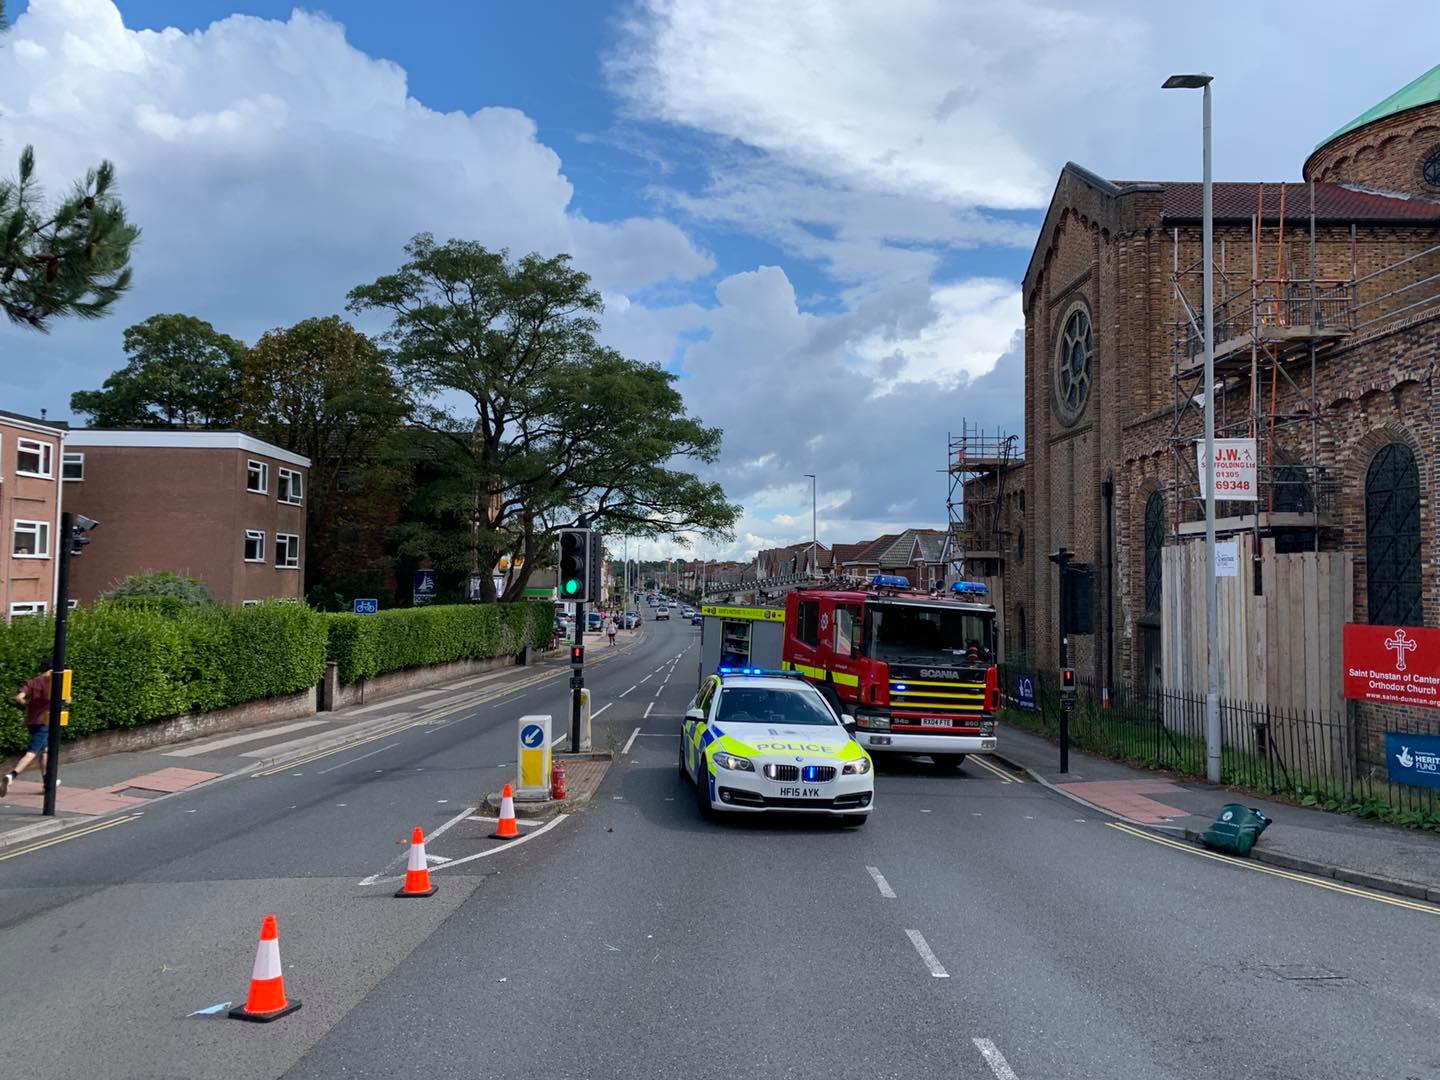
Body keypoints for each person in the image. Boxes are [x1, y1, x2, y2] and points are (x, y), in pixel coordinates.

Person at [1, 661, 55, 798]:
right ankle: (12, 775)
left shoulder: (32, 682)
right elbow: (66, 699)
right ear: (51, 669)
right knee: (32, 752)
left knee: (45, 751)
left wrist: (27, 705)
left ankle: (47, 783)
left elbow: (19, 697)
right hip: (44, 721)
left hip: (31, 721)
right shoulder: (52, 683)